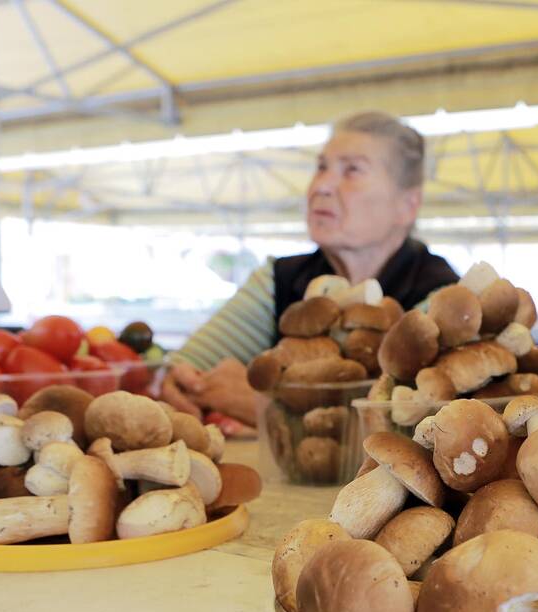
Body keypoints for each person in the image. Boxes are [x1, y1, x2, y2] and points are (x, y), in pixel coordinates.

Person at [162, 111, 459, 425]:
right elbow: (188, 370)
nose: (322, 186)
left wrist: (267, 406)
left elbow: (413, 427)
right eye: (321, 167)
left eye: (352, 170)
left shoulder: (442, 300)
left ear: (407, 205)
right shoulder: (280, 279)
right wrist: (180, 383)